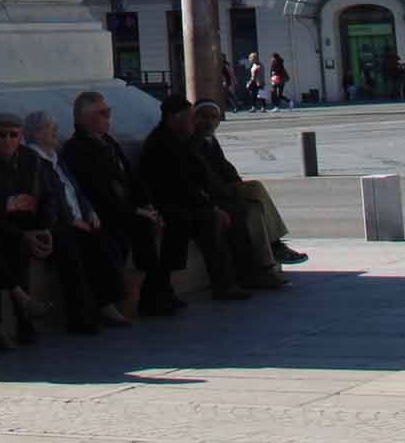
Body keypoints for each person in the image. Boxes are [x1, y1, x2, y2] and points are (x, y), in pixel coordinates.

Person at [61, 90, 184, 316]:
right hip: (106, 212)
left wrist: (146, 205)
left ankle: (159, 291)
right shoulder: (76, 149)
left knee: (167, 222)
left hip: (126, 208)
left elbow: (130, 178)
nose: (109, 117)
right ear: (86, 118)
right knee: (141, 228)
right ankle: (151, 296)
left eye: (108, 112)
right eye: (103, 113)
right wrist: (135, 211)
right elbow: (97, 192)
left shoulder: (108, 141)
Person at [22, 109, 129, 334]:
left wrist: (89, 211)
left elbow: (75, 188)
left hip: (77, 220)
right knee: (74, 253)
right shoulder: (34, 161)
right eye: (49, 128)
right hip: (55, 225)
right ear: (37, 134)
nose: (55, 131)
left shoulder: (56, 156)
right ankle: (81, 316)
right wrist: (72, 220)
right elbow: (49, 199)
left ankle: (108, 304)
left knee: (105, 241)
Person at [139, 95, 256, 299]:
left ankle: (247, 273)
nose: (195, 122)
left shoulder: (181, 139)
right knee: (210, 220)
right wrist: (212, 207)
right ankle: (223, 284)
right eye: (190, 117)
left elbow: (202, 176)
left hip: (190, 200)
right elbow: (182, 185)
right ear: (176, 119)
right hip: (173, 205)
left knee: (238, 210)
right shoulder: (163, 143)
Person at [192, 102, 306, 282]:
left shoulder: (210, 140)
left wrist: (236, 184)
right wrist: (230, 190)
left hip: (224, 189)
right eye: (204, 116)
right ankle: (275, 243)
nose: (209, 122)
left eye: (214, 117)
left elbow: (225, 167)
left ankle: (265, 267)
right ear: (194, 118)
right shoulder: (193, 141)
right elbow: (202, 176)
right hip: (211, 194)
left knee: (254, 209)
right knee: (254, 188)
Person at [0, 114, 58, 343]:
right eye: (1, 135)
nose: (8, 140)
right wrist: (23, 234)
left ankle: (24, 320)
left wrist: (44, 228)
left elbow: (48, 196)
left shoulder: (31, 159)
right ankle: (16, 314)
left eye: (13, 135)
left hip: (29, 224)